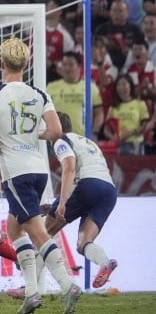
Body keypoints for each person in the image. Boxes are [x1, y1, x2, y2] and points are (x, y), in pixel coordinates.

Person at [0, 37, 81, 314]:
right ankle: (32, 292)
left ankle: (66, 284)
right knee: (14, 229)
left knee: (37, 232)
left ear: (2, 64)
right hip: (38, 171)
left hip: (16, 173)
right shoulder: (41, 94)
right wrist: (33, 135)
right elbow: (57, 131)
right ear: (25, 64)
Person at [47, 112, 119, 289]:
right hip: (108, 191)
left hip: (87, 184)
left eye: (48, 126)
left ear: (57, 127)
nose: (45, 132)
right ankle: (104, 262)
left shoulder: (61, 140)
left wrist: (62, 203)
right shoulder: (87, 141)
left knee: (42, 232)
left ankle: (30, 286)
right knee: (83, 243)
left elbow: (70, 169)